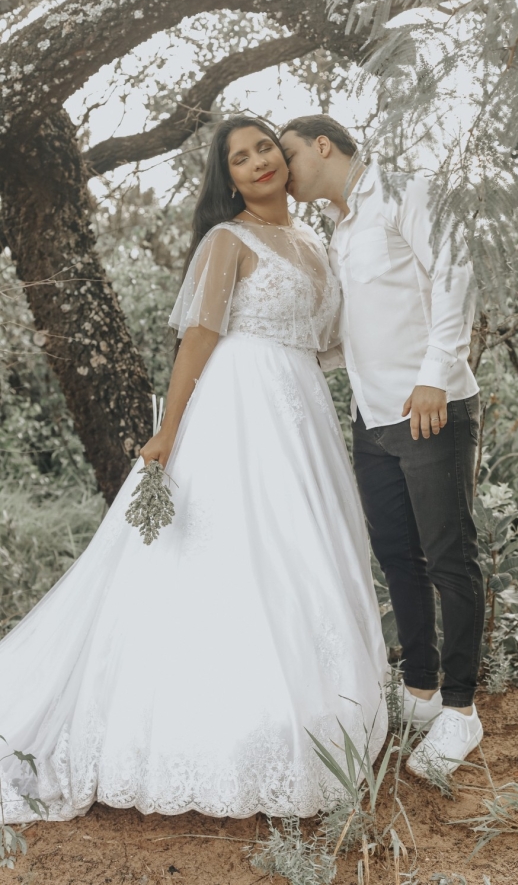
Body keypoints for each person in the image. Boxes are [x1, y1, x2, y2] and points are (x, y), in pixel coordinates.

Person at [0, 116, 388, 822]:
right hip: (240, 407)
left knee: (304, 551)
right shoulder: (227, 240)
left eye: (265, 147)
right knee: (236, 553)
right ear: (228, 178)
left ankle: (311, 712)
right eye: (240, 158)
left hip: (302, 408)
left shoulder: (314, 241)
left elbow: (335, 337)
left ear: (286, 157)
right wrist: (168, 432)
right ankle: (217, 727)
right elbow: (198, 340)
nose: (258, 162)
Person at [280, 115, 484, 775]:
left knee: (450, 557)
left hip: (430, 407)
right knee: (398, 556)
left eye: (287, 155)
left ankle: (461, 710)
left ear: (322, 144)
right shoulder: (337, 231)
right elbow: (359, 326)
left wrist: (436, 377)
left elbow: (455, 273)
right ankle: (421, 691)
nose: (283, 171)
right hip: (372, 418)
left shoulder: (406, 192)